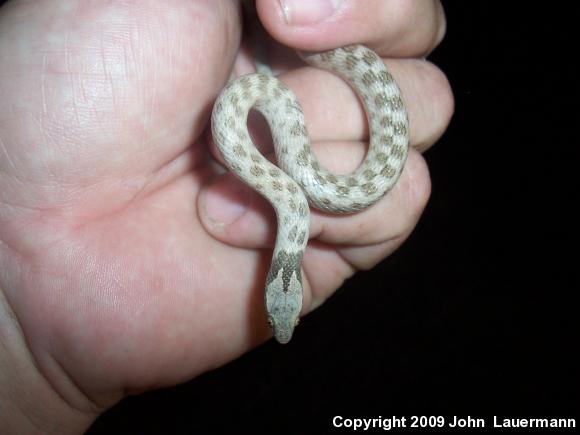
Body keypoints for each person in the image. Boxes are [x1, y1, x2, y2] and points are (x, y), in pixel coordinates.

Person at [0, 0, 453, 432]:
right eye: (286, 319)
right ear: (279, 278)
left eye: (284, 318)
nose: (282, 326)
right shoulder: (290, 202)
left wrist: (34, 366)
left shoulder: (292, 203)